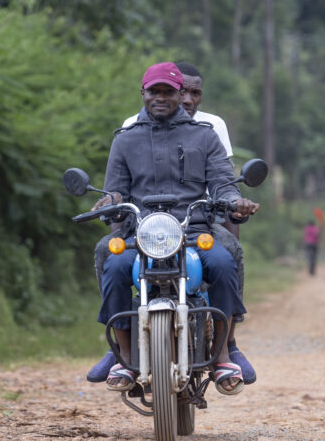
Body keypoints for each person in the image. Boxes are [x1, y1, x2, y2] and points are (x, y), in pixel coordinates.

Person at [95, 62, 258, 395]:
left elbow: (223, 184)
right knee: (111, 263)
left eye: (168, 92)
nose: (160, 98)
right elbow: (115, 189)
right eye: (154, 91)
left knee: (225, 261)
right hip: (139, 234)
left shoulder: (205, 135)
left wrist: (234, 201)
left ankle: (224, 353)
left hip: (193, 231)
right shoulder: (125, 140)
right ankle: (122, 355)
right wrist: (108, 201)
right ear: (143, 93)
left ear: (179, 94)